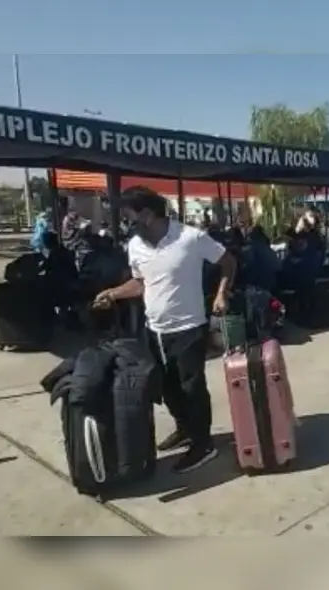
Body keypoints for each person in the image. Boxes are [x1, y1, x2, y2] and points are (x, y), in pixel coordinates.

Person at [94, 186, 236, 473]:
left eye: (129, 216)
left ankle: (202, 442)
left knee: (191, 387)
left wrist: (222, 294)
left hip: (188, 328)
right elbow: (141, 282)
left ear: (147, 214)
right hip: (154, 330)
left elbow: (229, 263)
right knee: (167, 388)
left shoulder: (190, 238)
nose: (125, 222)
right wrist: (113, 293)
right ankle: (184, 428)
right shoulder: (136, 245)